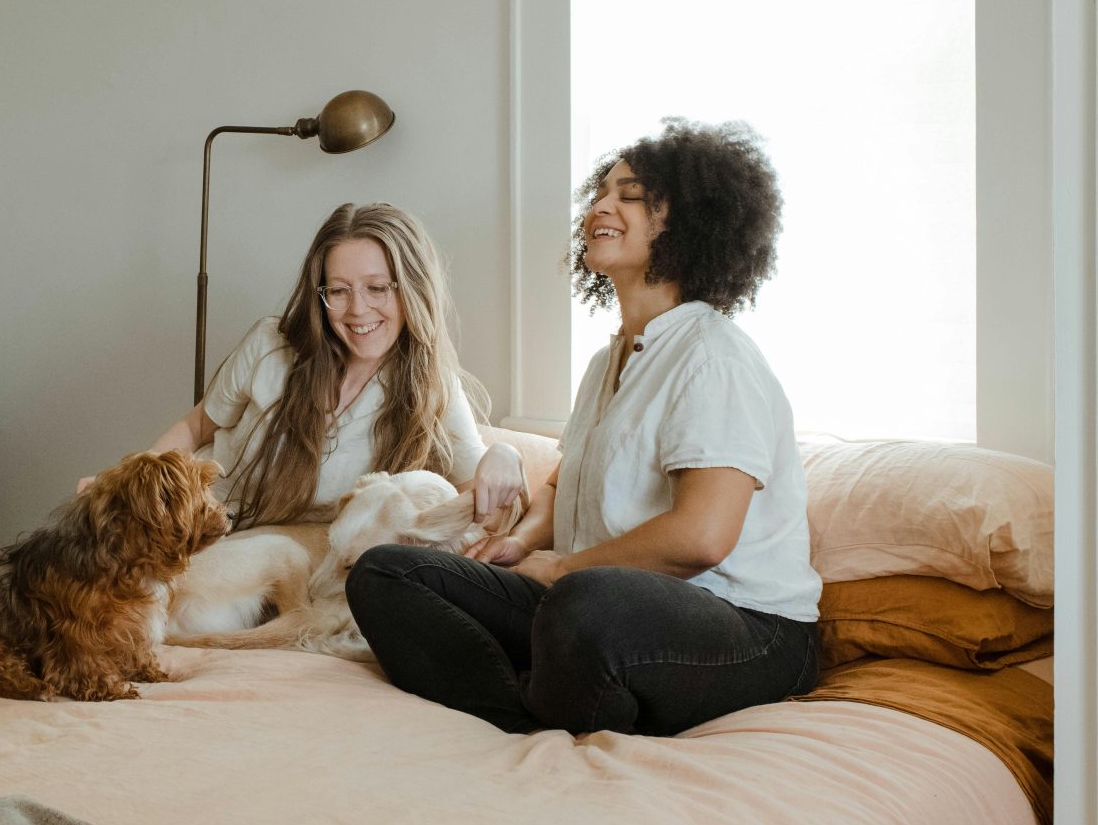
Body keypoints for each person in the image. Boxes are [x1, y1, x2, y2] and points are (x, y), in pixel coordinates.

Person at [346, 119, 821, 737]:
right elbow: (563, 481)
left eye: (630, 195)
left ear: (689, 221)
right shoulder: (609, 361)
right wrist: (521, 543)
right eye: (601, 192)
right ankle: (526, 712)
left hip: (747, 630)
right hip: (592, 603)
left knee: (583, 604)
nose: (600, 205)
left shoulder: (712, 356)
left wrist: (564, 569)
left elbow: (703, 536)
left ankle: (553, 689)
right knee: (387, 573)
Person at [85, 202, 523, 530]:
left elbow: (477, 494)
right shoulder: (270, 345)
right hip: (201, 528)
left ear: (411, 289)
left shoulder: (432, 385)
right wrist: (121, 486)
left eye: (377, 288)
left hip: (292, 561)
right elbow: (197, 427)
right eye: (338, 290)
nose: (357, 310)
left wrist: (505, 454)